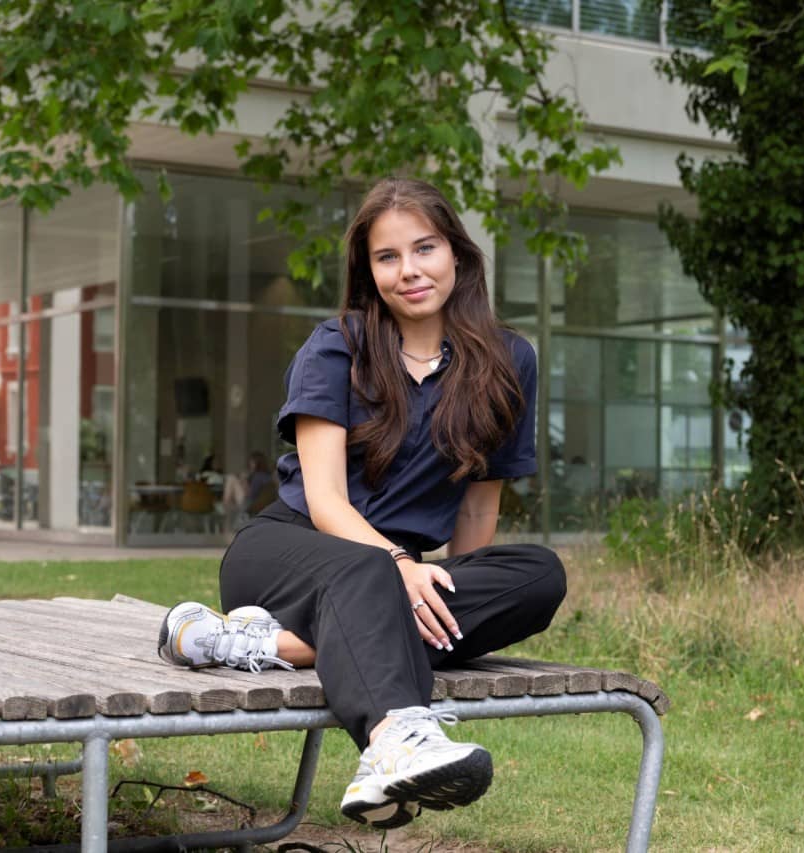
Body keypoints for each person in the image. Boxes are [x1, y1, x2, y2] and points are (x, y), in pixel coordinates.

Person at [157, 178, 566, 829]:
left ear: (457, 253)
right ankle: (392, 740)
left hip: (383, 576)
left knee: (541, 574)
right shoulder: (337, 344)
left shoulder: (509, 361)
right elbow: (325, 501)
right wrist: (401, 566)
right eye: (387, 256)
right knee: (371, 570)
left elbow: (475, 513)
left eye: (424, 248)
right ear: (367, 269)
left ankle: (265, 644)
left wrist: (451, 597)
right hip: (288, 549)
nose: (409, 271)